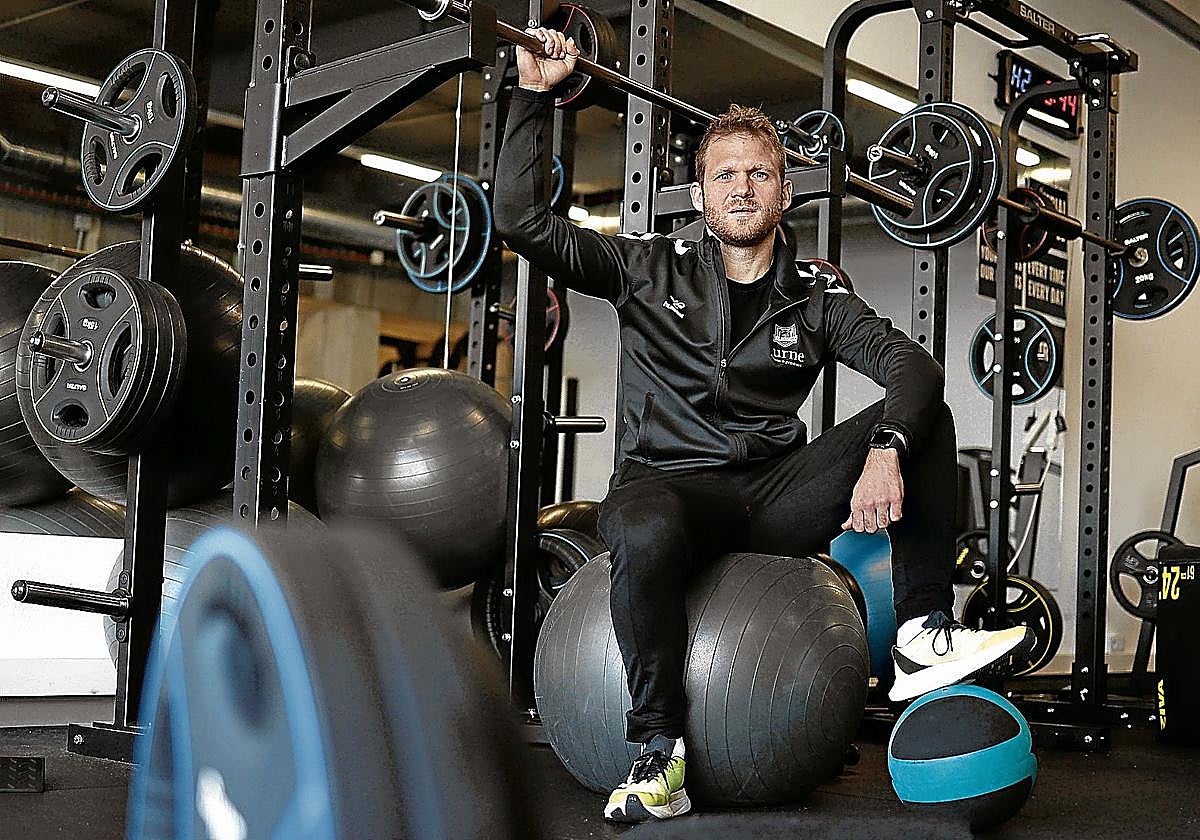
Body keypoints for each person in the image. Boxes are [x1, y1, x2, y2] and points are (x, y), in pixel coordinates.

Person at [493, 28, 1033, 825]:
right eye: (725, 175)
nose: (741, 188)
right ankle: (659, 748)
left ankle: (922, 630)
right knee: (639, 526)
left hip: (771, 498)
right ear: (701, 194)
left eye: (759, 174)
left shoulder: (815, 296)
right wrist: (534, 97)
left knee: (928, 413)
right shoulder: (645, 267)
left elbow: (911, 367)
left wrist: (886, 448)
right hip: (666, 489)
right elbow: (520, 221)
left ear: (784, 192)